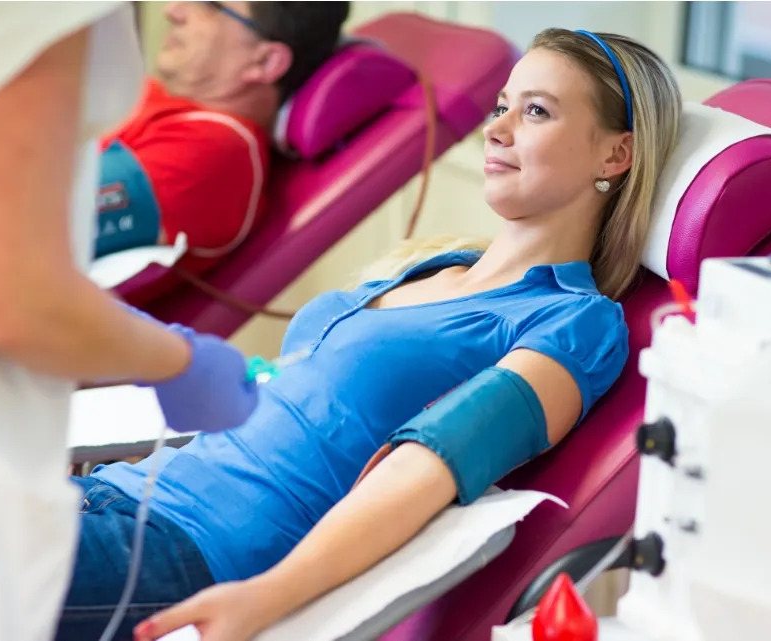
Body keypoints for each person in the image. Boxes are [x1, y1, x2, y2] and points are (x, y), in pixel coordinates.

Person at [57, 27, 683, 641]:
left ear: (615, 155)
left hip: (186, 551)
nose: (496, 129)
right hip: (119, 493)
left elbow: (428, 467)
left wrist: (265, 597)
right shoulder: (435, 265)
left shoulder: (574, 321)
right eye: (501, 107)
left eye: (537, 111)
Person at [0, 4, 256, 641]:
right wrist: (179, 361)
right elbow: (23, 297)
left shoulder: (215, 147)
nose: (179, 8)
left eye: (218, 5)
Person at [94, 1, 351, 277]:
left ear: (265, 61)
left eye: (211, 6)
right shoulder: (156, 101)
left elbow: (49, 214)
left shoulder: (215, 150)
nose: (174, 10)